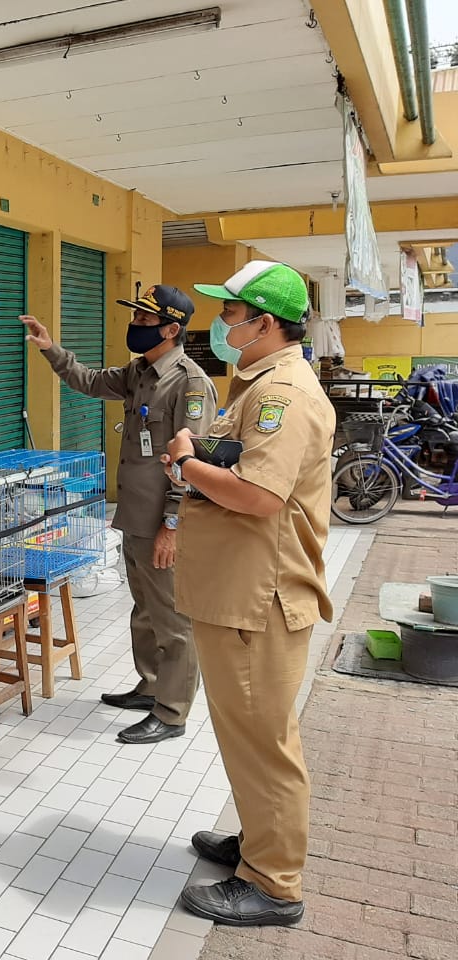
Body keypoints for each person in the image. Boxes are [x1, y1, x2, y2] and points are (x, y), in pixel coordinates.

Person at [162, 261, 334, 926]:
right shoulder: (261, 384)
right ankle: (256, 845)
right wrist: (205, 451)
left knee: (264, 741)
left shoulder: (281, 395)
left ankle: (274, 882)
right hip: (240, 592)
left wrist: (185, 461)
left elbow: (260, 497)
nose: (223, 324)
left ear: (264, 323)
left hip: (258, 599)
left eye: (232, 314)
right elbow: (244, 461)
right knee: (244, 735)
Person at [22, 284, 217, 745]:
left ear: (172, 329)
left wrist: (172, 524)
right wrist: (52, 349)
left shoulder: (189, 383)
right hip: (134, 515)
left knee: (173, 620)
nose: (136, 327)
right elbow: (89, 381)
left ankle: (171, 714)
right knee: (146, 610)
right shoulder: (140, 372)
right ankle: (151, 687)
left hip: (165, 523)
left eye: (146, 322)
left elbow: (196, 464)